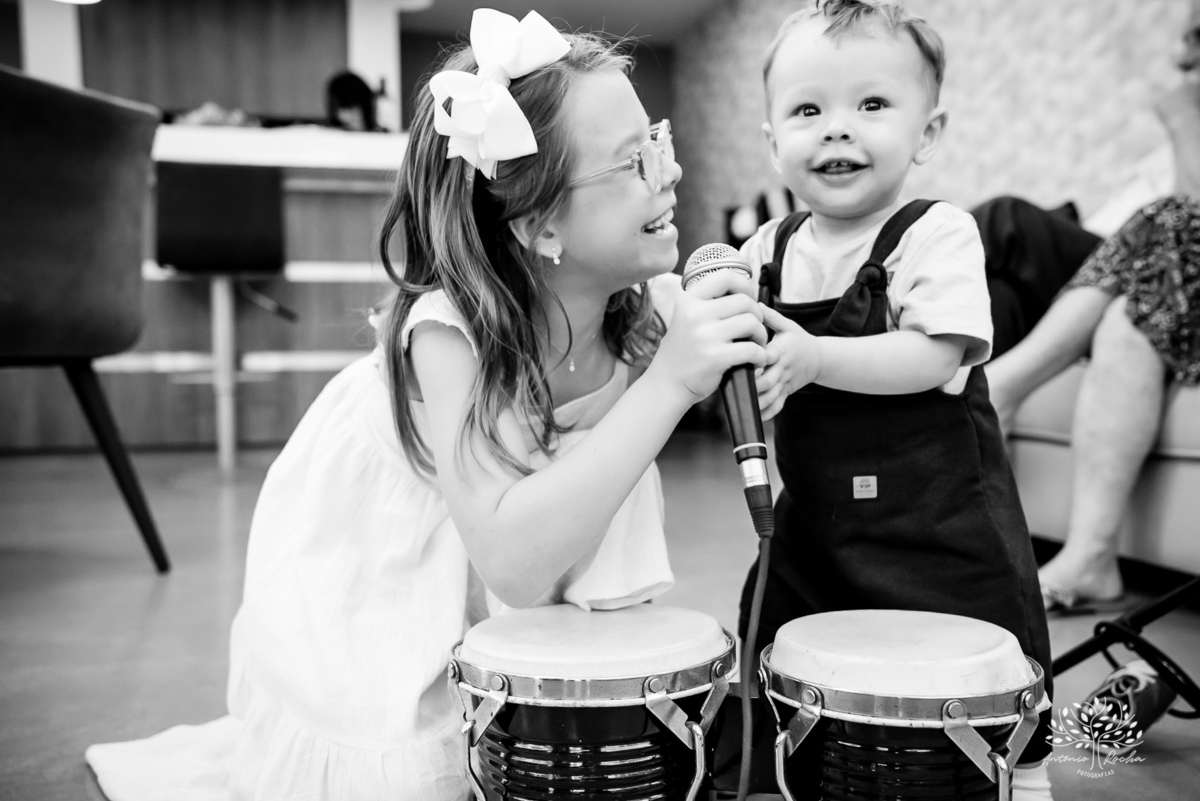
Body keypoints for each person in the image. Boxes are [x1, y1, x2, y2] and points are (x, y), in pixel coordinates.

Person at [85, 9, 766, 800]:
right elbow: (511, 559)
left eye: (659, 143)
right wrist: (669, 384)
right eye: (632, 163)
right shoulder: (450, 332)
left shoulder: (645, 301)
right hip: (391, 553)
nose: (670, 174)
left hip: (524, 536)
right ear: (541, 223)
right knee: (409, 771)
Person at [733, 1, 1054, 796]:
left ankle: (1020, 769)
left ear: (928, 134)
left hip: (942, 532)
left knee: (986, 672)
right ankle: (789, 758)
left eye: (872, 105)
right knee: (769, 643)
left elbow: (934, 353)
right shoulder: (762, 253)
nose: (837, 130)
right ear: (774, 143)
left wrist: (811, 355)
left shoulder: (935, 232)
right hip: (817, 529)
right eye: (808, 110)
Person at [985, 0, 1200, 614]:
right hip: (1121, 268)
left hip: (1166, 256)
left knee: (1008, 220)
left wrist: (1186, 119)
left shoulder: (1188, 121)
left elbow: (1190, 214)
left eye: (1198, 38)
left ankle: (994, 383)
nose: (1183, 54)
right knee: (1003, 282)